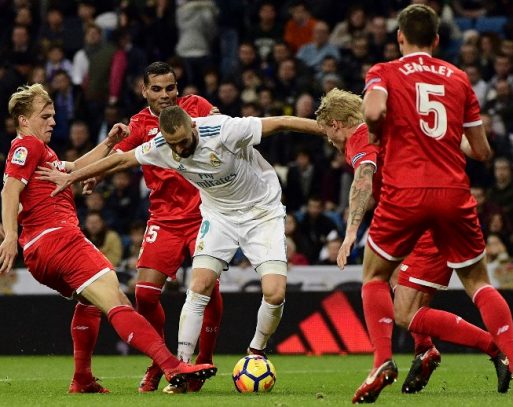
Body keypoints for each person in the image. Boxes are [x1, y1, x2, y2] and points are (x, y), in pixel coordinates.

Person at [37, 106, 324, 393]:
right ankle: (182, 368)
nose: (179, 149)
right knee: (199, 285)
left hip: (262, 212)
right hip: (219, 215)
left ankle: (256, 351)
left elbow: (283, 122)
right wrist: (72, 178)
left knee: (275, 292)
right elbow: (122, 159)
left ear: (194, 128)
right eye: (173, 143)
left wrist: (330, 132)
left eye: (184, 141)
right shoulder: (163, 146)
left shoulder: (224, 129)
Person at [360, 4, 513, 402]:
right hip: (454, 194)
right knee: (478, 283)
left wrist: (376, 130)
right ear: (438, 40)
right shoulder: (459, 78)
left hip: (407, 194)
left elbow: (373, 110)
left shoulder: (384, 72)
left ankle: (382, 361)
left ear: (399, 37)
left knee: (375, 278)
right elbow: (482, 151)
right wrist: (444, 140)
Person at [0, 83, 216, 394]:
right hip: (59, 238)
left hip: (39, 254)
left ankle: (82, 378)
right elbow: (9, 190)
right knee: (117, 300)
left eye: (53, 115)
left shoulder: (41, 151)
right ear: (24, 120)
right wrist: (9, 235)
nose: (53, 122)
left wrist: (110, 142)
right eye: (45, 116)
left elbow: (75, 168)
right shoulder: (27, 147)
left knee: (89, 302)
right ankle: (171, 366)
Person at [315, 88, 510, 398]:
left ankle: (496, 347)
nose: (328, 140)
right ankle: (425, 350)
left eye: (327, 131)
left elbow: (364, 176)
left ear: (337, 124)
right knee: (392, 277)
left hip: (424, 225)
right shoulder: (378, 129)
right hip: (421, 218)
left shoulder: (359, 139)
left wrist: (351, 231)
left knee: (404, 313)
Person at [103, 61, 225, 394]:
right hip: (163, 219)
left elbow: (224, 131)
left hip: (204, 214)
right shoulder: (139, 124)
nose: (165, 95)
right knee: (143, 294)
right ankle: (161, 361)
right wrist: (89, 174)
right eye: (156, 89)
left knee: (206, 288)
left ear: (177, 86)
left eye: (170, 87)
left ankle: (204, 359)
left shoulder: (195, 106)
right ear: (144, 91)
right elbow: (116, 157)